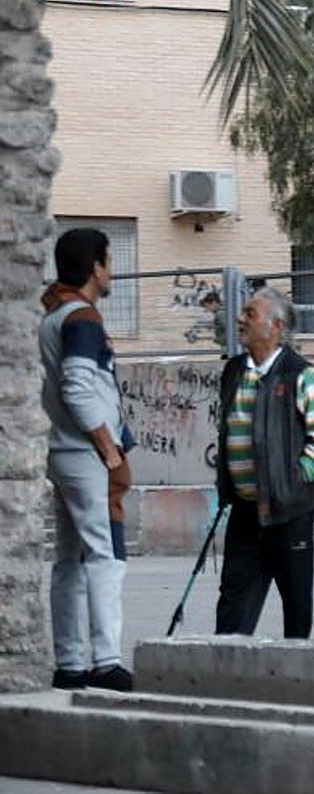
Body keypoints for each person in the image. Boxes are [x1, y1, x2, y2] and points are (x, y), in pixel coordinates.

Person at [215, 287, 314, 639]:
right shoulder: (234, 371)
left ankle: (297, 668)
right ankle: (227, 667)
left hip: (290, 512)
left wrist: (291, 484)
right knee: (231, 611)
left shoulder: (302, 375)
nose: (240, 319)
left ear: (276, 326)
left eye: (250, 314)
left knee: (296, 611)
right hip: (245, 511)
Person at [39, 228, 135, 691]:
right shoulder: (81, 318)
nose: (111, 271)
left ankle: (71, 664)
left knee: (69, 560)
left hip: (61, 451)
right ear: (96, 268)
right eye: (109, 262)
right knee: (105, 555)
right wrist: (109, 449)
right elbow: (77, 388)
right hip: (84, 454)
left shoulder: (55, 314)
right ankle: (107, 661)